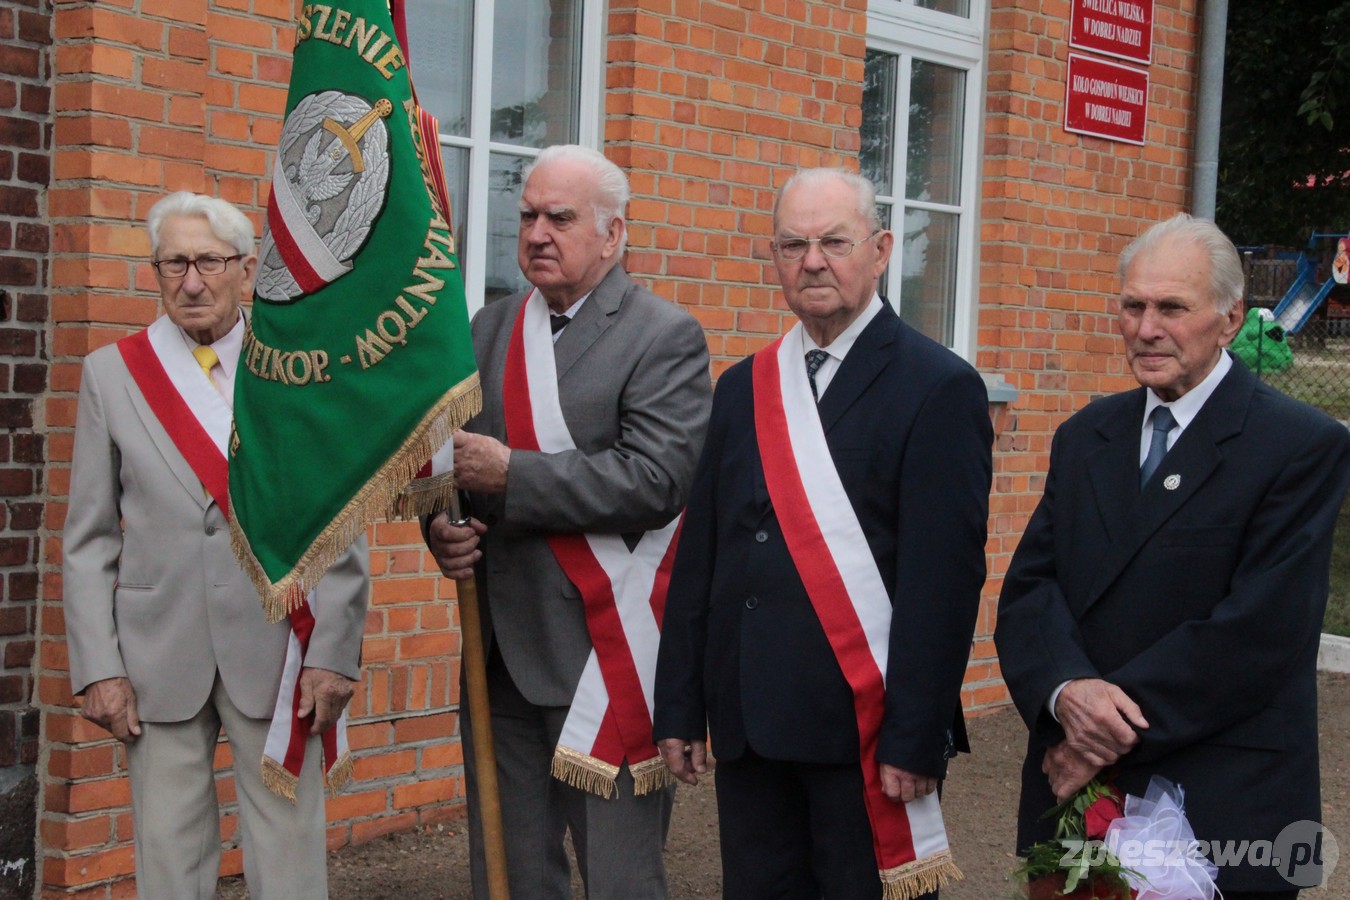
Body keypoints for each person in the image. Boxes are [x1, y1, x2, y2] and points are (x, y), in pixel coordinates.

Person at [652, 168, 993, 899]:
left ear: (880, 249)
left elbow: (944, 584)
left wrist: (915, 734)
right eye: (793, 244)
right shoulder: (744, 386)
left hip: (860, 732)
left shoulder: (939, 387)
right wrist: (680, 703)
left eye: (834, 242)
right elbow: (703, 553)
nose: (812, 261)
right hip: (749, 723)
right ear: (773, 258)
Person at [995, 214, 1350, 899]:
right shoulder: (1084, 436)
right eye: (1133, 305)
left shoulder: (1296, 446)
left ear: (1228, 319)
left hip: (1220, 805)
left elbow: (1259, 631)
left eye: (1171, 308)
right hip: (1073, 798)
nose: (1147, 328)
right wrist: (1067, 693)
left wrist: (1099, 733)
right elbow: (1032, 590)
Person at [63, 191, 371, 899]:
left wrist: (332, 652)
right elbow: (87, 538)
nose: (191, 281)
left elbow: (342, 522)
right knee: (169, 858)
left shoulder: (301, 367)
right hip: (155, 654)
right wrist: (97, 668)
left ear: (246, 268)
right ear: (156, 271)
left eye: (208, 261)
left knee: (288, 856)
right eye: (174, 263)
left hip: (278, 649)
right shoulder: (113, 374)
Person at [425, 144, 712, 899]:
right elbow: (456, 477)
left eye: (560, 217)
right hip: (498, 652)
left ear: (612, 235)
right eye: (526, 216)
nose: (537, 233)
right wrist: (444, 533)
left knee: (619, 876)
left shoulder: (663, 335)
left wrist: (515, 474)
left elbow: (657, 480)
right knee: (512, 871)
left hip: (604, 654)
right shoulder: (488, 328)